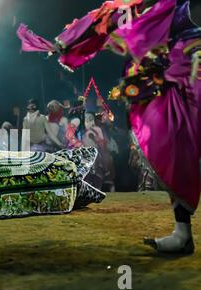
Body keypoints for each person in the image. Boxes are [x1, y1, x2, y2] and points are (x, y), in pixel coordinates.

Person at [18, 0, 201, 254]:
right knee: (172, 149)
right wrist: (65, 43)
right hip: (175, 91)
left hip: (193, 84)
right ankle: (183, 234)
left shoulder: (182, 6)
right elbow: (102, 23)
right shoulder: (142, 9)